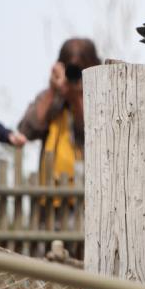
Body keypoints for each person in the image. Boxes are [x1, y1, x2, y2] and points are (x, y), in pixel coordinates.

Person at [18, 38, 100, 184]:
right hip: (49, 195)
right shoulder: (50, 97)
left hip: (92, 189)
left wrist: (75, 98)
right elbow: (26, 131)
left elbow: (95, 134)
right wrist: (52, 89)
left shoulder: (103, 99)